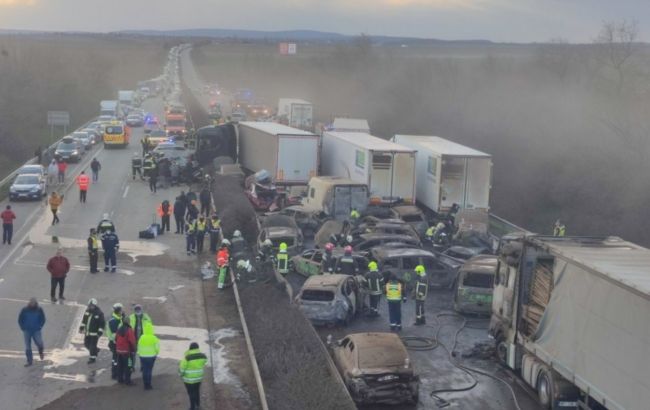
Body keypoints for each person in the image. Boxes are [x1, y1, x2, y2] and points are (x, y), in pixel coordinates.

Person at [179, 342, 207, 410]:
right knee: (197, 391)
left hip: (189, 379)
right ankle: (198, 405)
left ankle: (192, 407)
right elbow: (205, 362)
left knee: (191, 393)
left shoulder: (187, 357)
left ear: (190, 348)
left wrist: (181, 375)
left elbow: (182, 368)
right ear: (198, 348)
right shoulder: (203, 356)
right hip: (198, 378)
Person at [18, 297, 45, 367]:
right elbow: (20, 319)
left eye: (33, 303)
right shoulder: (24, 310)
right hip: (27, 330)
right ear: (29, 303)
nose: (32, 304)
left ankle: (41, 351)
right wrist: (22, 327)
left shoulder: (39, 309)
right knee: (27, 346)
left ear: (35, 303)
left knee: (39, 343)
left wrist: (40, 326)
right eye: (31, 303)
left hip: (36, 330)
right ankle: (29, 361)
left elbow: (43, 318)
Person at [79, 298, 105, 364]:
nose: (90, 307)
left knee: (92, 346)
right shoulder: (87, 311)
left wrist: (100, 332)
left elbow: (102, 323)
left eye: (91, 306)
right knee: (86, 344)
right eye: (89, 305)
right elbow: (84, 321)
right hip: (87, 332)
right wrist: (81, 327)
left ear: (95, 306)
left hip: (94, 334)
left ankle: (92, 358)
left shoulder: (99, 313)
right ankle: (95, 350)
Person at [137, 322, 159, 390]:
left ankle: (145, 384)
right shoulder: (154, 338)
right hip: (151, 357)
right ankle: (148, 384)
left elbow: (138, 347)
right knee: (149, 370)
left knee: (144, 370)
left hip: (143, 356)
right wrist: (156, 354)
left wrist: (140, 354)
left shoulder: (141, 337)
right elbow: (157, 348)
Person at [115, 316, 136, 385]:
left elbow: (116, 339)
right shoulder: (129, 330)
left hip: (119, 351)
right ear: (128, 322)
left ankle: (120, 379)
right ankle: (128, 381)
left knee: (120, 366)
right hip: (127, 352)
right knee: (128, 366)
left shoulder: (119, 329)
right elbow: (132, 341)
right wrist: (134, 350)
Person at [106, 303, 123, 380]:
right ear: (118, 311)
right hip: (115, 343)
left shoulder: (118, 319)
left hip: (116, 342)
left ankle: (116, 373)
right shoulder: (114, 321)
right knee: (116, 359)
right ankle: (115, 374)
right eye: (121, 310)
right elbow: (114, 334)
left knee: (116, 358)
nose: (122, 311)